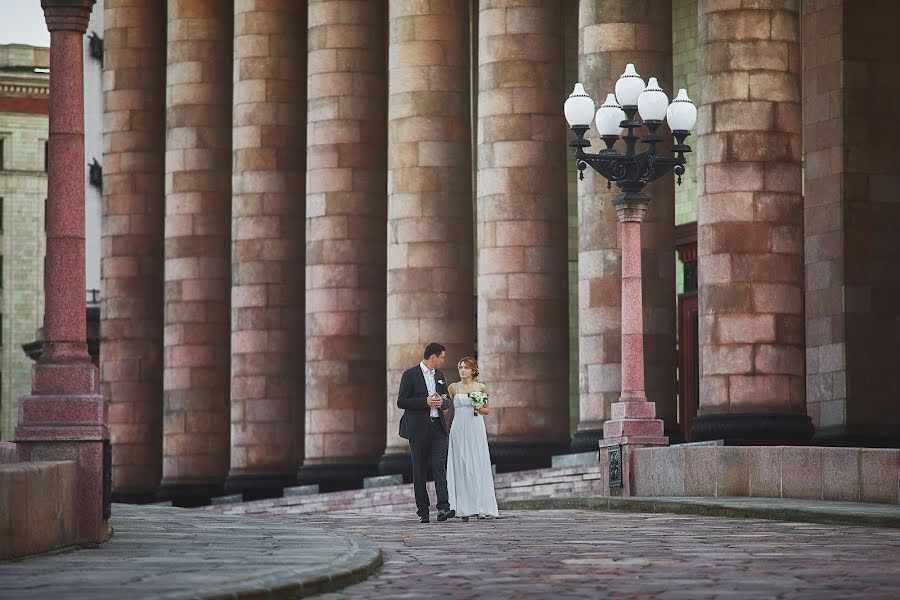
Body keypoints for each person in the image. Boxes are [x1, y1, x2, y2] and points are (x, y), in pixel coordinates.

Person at [397, 342, 455, 523]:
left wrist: (442, 402)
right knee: (420, 469)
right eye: (442, 357)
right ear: (433, 357)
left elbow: (446, 400)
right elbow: (402, 401)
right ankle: (423, 510)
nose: (443, 361)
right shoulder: (410, 375)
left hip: (438, 427)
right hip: (418, 429)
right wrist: (426, 402)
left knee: (439, 466)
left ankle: (443, 508)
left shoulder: (439, 375)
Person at [446, 356, 499, 521]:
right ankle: (462, 508)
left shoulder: (481, 387)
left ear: (473, 370)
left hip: (475, 426)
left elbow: (486, 410)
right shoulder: (453, 387)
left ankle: (479, 506)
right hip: (458, 428)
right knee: (461, 465)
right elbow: (447, 409)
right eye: (461, 367)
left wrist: (478, 407)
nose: (462, 370)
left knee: (476, 464)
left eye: (466, 367)